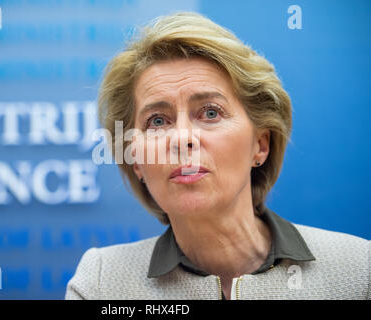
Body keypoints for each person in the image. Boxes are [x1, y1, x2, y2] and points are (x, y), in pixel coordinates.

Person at [65, 12, 370, 300]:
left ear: (260, 145)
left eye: (210, 113)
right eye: (157, 121)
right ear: (135, 159)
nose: (182, 138)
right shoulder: (103, 283)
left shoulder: (358, 270)